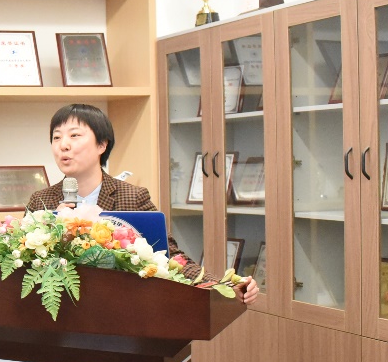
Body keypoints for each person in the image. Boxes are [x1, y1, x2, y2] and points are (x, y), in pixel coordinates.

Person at [25, 103, 259, 305]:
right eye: (56, 137)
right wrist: (54, 231)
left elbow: (171, 256)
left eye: (74, 135)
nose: (63, 145)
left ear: (102, 145)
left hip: (122, 309)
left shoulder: (132, 197)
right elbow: (22, 264)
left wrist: (223, 286)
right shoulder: (41, 201)